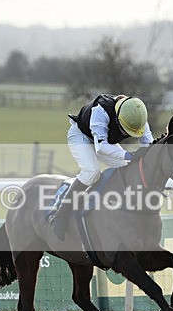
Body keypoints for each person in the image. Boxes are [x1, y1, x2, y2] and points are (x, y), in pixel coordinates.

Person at [49, 94, 154, 239]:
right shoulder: (101, 110)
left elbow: (149, 146)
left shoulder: (139, 118)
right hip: (82, 136)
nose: (126, 134)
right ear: (118, 118)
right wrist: (130, 155)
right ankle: (61, 214)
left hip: (104, 141)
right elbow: (101, 148)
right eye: (124, 129)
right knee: (92, 172)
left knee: (129, 168)